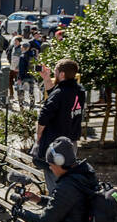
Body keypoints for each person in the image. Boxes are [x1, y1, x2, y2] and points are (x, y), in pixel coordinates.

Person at [34, 58, 87, 192]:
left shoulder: (60, 93)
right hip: (71, 142)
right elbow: (55, 96)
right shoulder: (79, 90)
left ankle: (57, 209)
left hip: (55, 145)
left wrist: (38, 135)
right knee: (67, 179)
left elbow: (44, 116)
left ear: (62, 74)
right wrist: (46, 78)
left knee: (54, 182)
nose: (54, 75)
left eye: (56, 72)